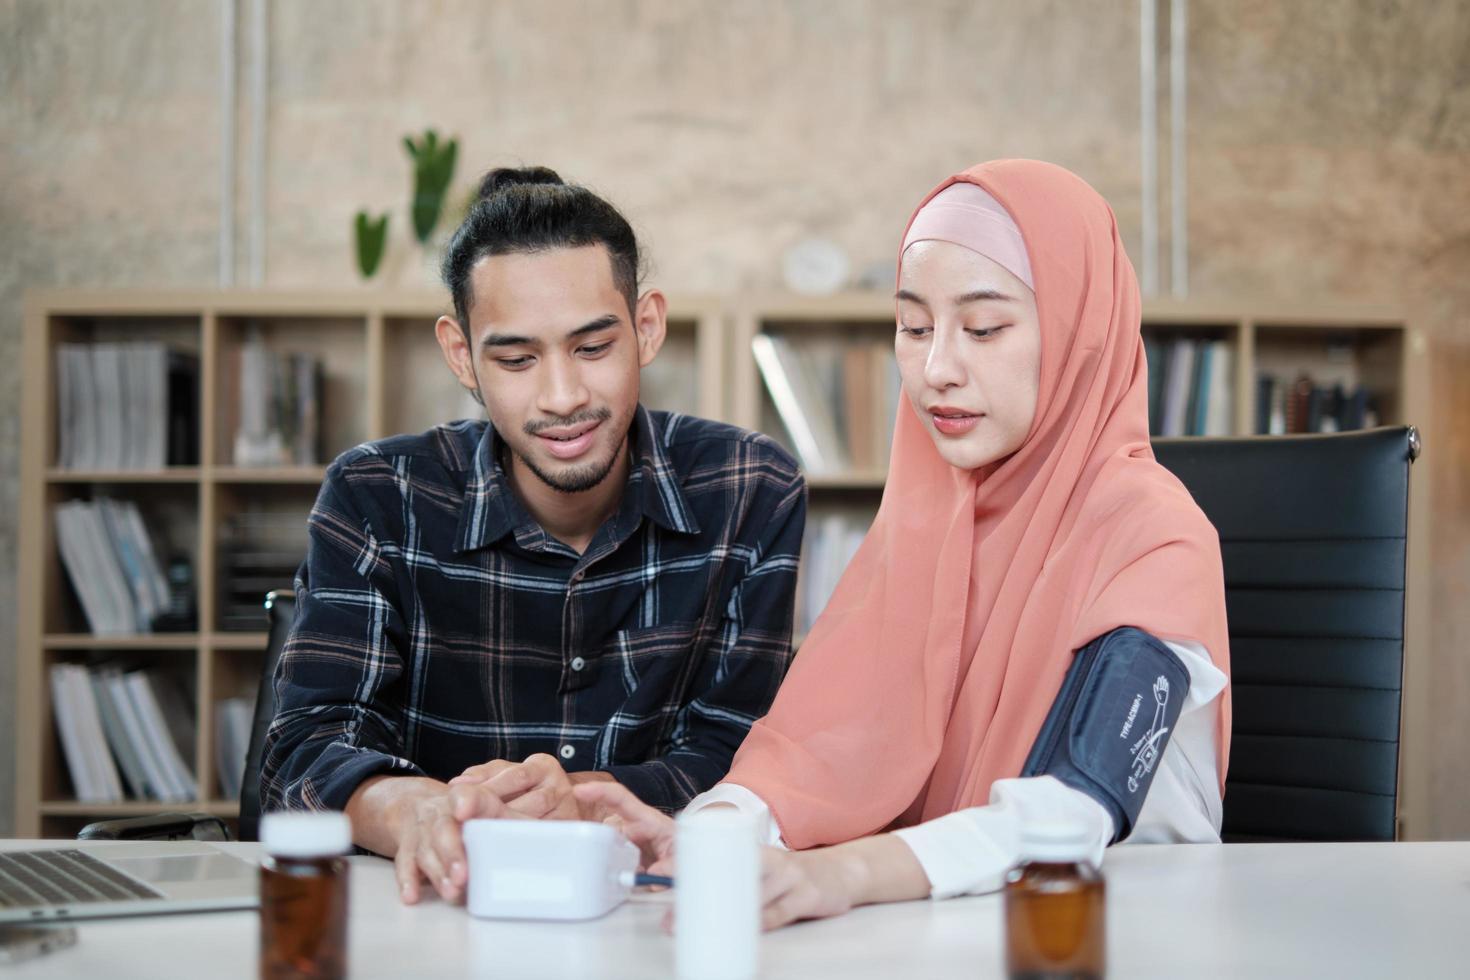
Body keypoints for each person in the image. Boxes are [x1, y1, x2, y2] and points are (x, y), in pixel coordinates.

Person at [572, 159, 1232, 930]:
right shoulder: (927, 523)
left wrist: (843, 872)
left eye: (984, 328)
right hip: (951, 929)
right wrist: (714, 833)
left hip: (1117, 934)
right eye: (914, 327)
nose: (935, 368)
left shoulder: (1155, 535)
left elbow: (1078, 798)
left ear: (1080, 333)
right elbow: (816, 748)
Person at [260, 167, 806, 906]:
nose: (562, 398)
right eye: (516, 360)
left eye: (591, 348)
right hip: (427, 912)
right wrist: (419, 809)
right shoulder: (376, 496)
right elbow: (306, 745)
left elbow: (742, 754)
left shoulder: (750, 486)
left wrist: (580, 800)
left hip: (648, 909)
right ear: (461, 356)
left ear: (647, 327)